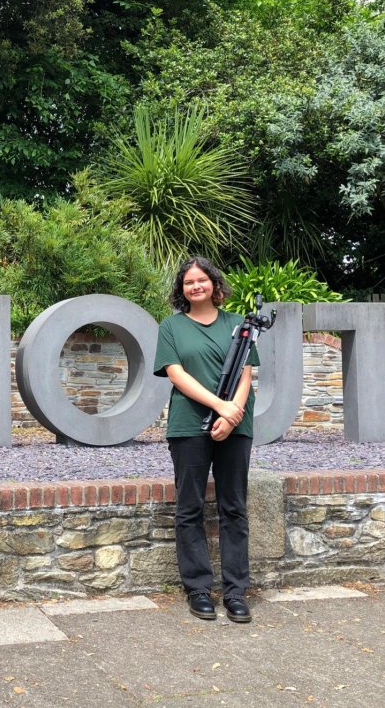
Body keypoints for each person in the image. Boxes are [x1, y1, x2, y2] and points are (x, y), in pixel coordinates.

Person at [153, 256, 259, 623]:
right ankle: (198, 588)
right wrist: (218, 406)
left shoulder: (238, 325)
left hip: (236, 426)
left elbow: (246, 375)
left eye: (201, 280)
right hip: (188, 425)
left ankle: (235, 592)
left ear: (214, 284)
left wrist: (232, 415)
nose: (195, 286)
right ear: (181, 289)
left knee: (234, 508)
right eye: (188, 282)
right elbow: (176, 374)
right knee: (189, 508)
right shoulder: (171, 327)